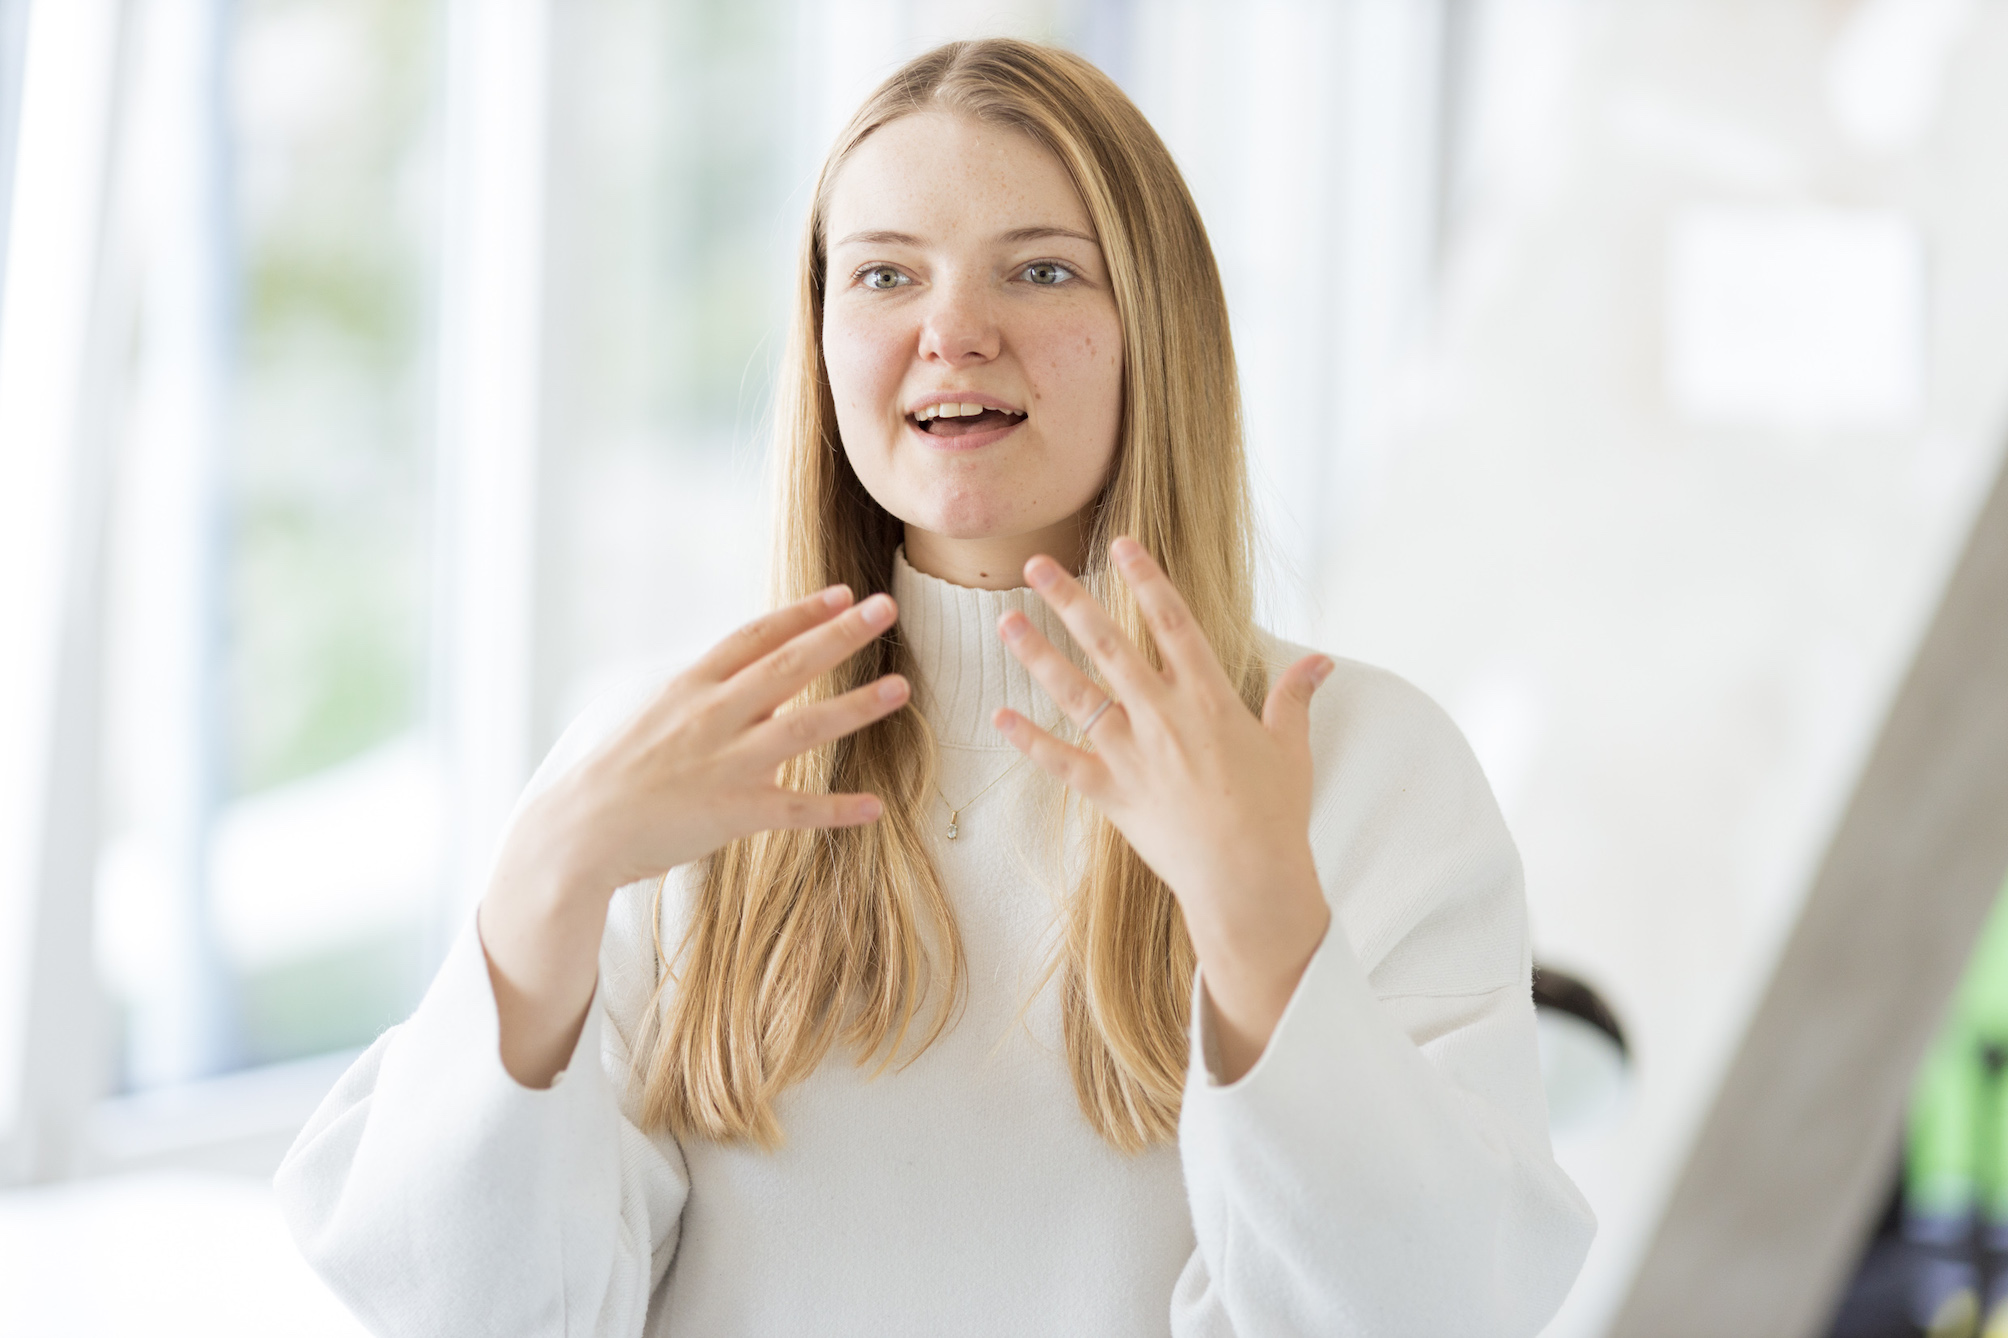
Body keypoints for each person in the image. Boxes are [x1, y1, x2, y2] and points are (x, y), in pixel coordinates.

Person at [276, 38, 1595, 1336]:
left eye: (1039, 270)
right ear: (825, 338)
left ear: (1155, 329)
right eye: (886, 274)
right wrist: (542, 887)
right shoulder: (680, 757)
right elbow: (474, 1306)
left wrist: (1263, 923)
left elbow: (1433, 1309)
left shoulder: (1358, 763)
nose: (954, 332)